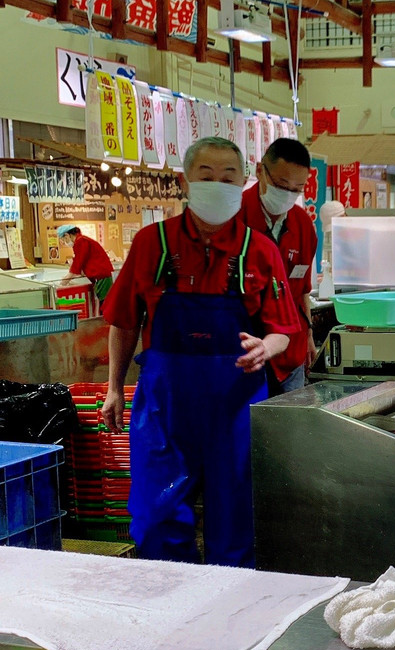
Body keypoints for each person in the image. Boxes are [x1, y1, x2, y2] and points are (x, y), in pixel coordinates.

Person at [101, 136, 299, 567]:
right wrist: (114, 387)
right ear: (184, 181)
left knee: (236, 519)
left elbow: (284, 329)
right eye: (205, 175)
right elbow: (124, 321)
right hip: (165, 407)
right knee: (155, 516)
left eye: (228, 177)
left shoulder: (260, 250)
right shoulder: (151, 243)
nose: (217, 184)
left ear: (244, 182)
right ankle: (169, 597)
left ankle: (231, 600)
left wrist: (266, 347)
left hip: (237, 407)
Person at [237, 137, 318, 395]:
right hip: (244, 350)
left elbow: (302, 290)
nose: (288, 194)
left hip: (291, 354)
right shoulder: (234, 216)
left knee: (289, 419)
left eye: (297, 189)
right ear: (260, 170)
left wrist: (308, 336)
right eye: (282, 186)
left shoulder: (303, 226)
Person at [56, 225, 114, 304]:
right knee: (105, 303)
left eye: (64, 240)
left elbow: (77, 264)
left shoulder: (81, 241)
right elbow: (82, 262)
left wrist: (64, 282)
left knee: (105, 304)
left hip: (101, 276)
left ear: (67, 235)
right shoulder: (82, 240)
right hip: (101, 276)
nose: (65, 243)